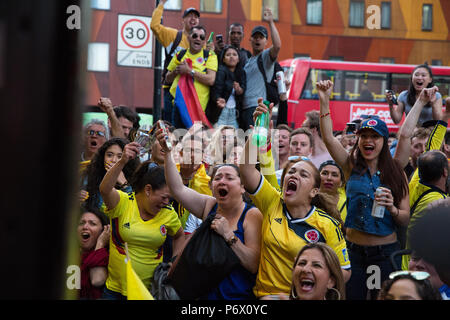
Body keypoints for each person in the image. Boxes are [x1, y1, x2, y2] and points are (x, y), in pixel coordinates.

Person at [239, 99, 351, 299]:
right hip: (264, 297)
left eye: (303, 175)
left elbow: (344, 271)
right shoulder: (273, 202)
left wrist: (308, 290)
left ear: (314, 191)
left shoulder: (327, 225)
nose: (294, 176)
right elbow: (247, 170)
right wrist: (257, 130)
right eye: (291, 172)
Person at [317, 80, 410, 300]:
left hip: (383, 254)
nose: (368, 140)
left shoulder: (396, 172)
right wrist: (324, 100)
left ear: (384, 141)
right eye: (364, 136)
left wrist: (392, 209)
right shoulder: (350, 167)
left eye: (374, 136)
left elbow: (405, 218)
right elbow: (329, 138)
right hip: (353, 253)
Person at [157, 128, 263, 300]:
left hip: (236, 300)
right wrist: (168, 154)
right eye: (218, 178)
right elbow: (177, 189)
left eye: (229, 178)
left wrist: (229, 236)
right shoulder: (210, 205)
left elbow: (253, 264)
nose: (222, 181)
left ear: (243, 187)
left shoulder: (252, 215)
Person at [99, 145, 185, 299]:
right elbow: (105, 190)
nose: (167, 202)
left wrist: (173, 262)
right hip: (114, 291)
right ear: (148, 190)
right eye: (164, 197)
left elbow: (179, 236)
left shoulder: (169, 213)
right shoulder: (123, 202)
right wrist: (122, 161)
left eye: (170, 199)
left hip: (148, 292)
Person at [151, 2, 200, 124]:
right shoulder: (173, 35)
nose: (193, 19)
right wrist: (161, 4)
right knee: (171, 126)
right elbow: (154, 26)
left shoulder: (201, 41)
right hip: (172, 89)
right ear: (182, 20)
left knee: (190, 126)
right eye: (189, 16)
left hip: (193, 91)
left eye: (196, 16)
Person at [165, 25, 218, 129]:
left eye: (201, 37)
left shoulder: (210, 56)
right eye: (195, 36)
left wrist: (189, 71)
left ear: (204, 42)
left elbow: (211, 80)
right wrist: (177, 71)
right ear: (189, 38)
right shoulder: (180, 54)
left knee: (195, 143)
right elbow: (168, 78)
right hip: (179, 107)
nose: (198, 38)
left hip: (198, 110)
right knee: (178, 141)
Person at [241, 7, 281, 131]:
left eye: (261, 37)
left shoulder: (265, 58)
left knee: (258, 143)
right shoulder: (247, 61)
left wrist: (270, 22)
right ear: (250, 40)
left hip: (260, 107)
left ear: (266, 42)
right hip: (245, 109)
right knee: (247, 144)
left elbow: (278, 46)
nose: (258, 39)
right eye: (255, 36)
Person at [81, 138, 139, 214]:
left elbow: (135, 209)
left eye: (120, 156)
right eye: (109, 155)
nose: (114, 160)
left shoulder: (136, 178)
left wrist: (124, 183)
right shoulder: (90, 176)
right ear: (103, 157)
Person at [206, 45, 246, 128]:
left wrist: (239, 89)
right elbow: (215, 90)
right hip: (221, 111)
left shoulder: (241, 72)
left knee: (233, 138)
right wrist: (218, 99)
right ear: (223, 59)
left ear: (238, 59)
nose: (231, 57)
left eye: (234, 55)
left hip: (234, 113)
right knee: (218, 137)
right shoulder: (221, 70)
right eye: (228, 55)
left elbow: (243, 89)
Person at [78, 206, 110, 300]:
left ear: (103, 231)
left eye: (92, 224)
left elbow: (97, 280)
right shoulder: (70, 255)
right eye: (81, 223)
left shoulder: (107, 255)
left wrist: (100, 244)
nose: (85, 227)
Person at [319, 160, 347, 224]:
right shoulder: (308, 199)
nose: (329, 178)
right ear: (317, 177)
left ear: (341, 182)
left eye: (334, 175)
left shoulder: (347, 204)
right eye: (325, 173)